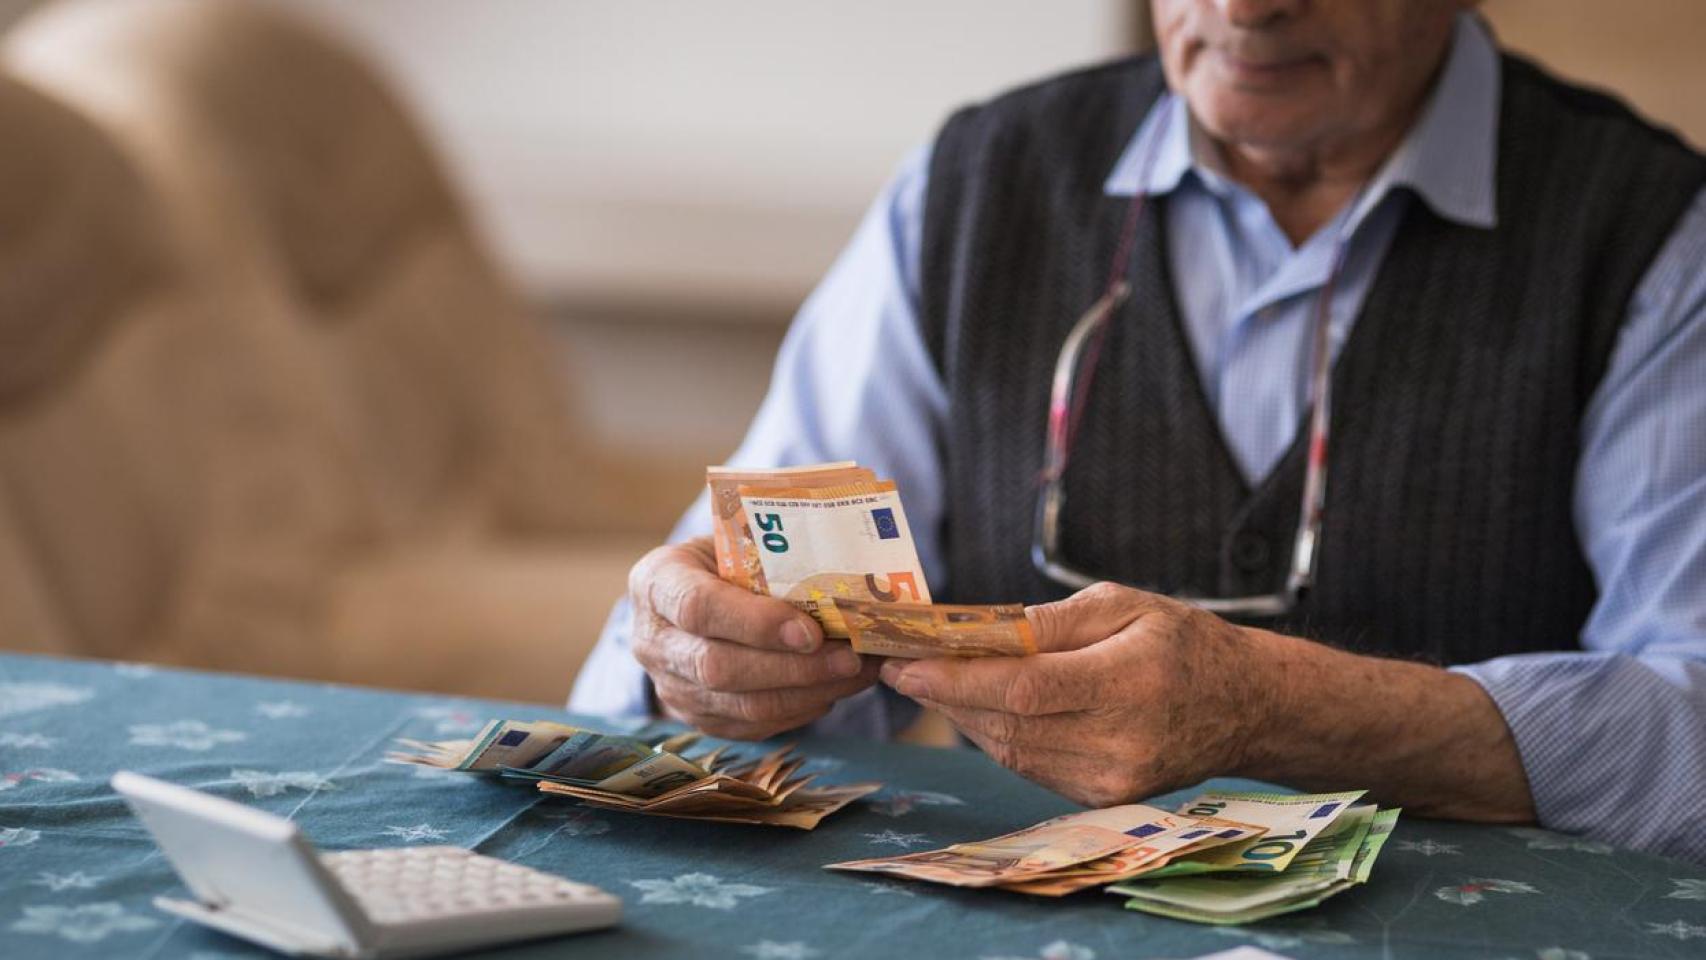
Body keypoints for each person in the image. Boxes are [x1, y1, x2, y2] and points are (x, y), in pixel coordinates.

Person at [572, 0, 1706, 863]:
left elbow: (1690, 714)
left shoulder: (1650, 238)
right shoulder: (978, 188)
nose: (1246, 6)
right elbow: (733, 611)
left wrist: (1275, 710)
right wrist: (700, 666)